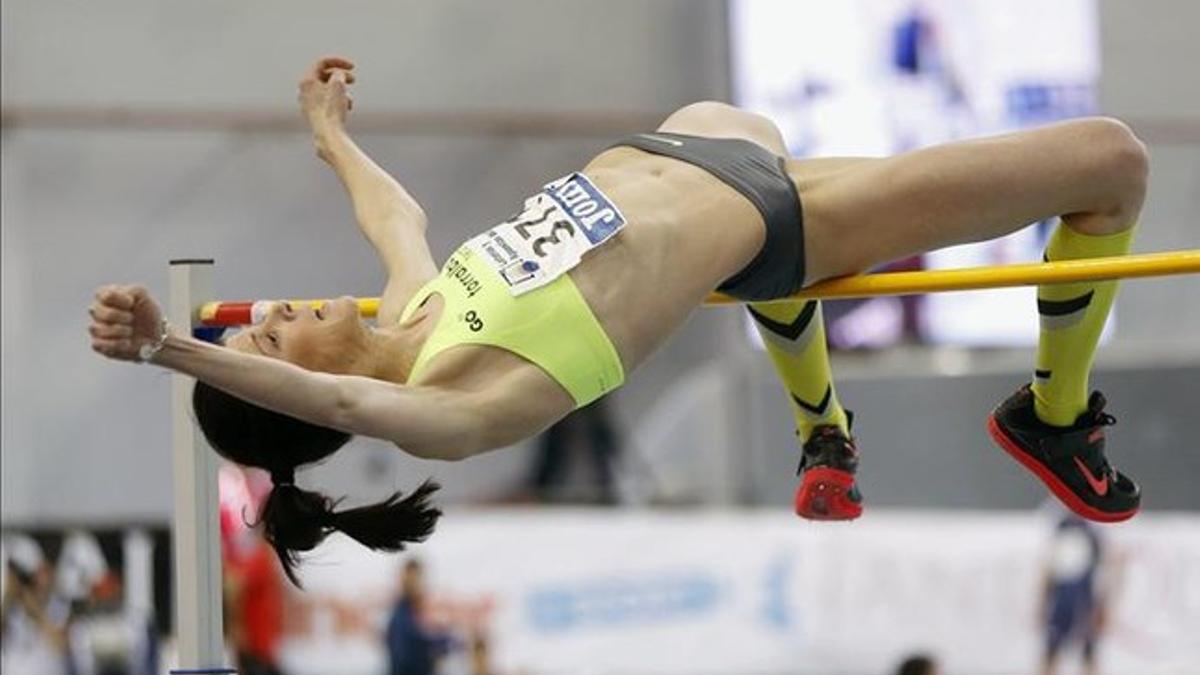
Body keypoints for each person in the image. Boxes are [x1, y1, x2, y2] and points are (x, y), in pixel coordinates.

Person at [89, 56, 1147, 579]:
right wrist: (172, 347)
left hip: (699, 145)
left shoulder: (417, 308)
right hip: (778, 219)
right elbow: (323, 390)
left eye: (262, 319)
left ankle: (822, 428)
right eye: (275, 334)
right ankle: (1053, 414)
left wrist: (329, 136)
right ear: (324, 408)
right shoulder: (461, 407)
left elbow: (393, 213)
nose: (279, 311)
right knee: (1108, 164)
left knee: (741, 195)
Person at [1039, 514, 1110, 675]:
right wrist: (1042, 600)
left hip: (1085, 597)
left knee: (1088, 650)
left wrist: (1102, 603)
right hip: (1062, 596)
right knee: (1052, 648)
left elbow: (1104, 568)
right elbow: (1048, 567)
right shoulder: (1060, 524)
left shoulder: (1094, 528)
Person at [384, 559, 452, 675]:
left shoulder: (418, 612)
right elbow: (405, 657)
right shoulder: (400, 616)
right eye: (411, 579)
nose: (416, 584)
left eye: (418, 579)